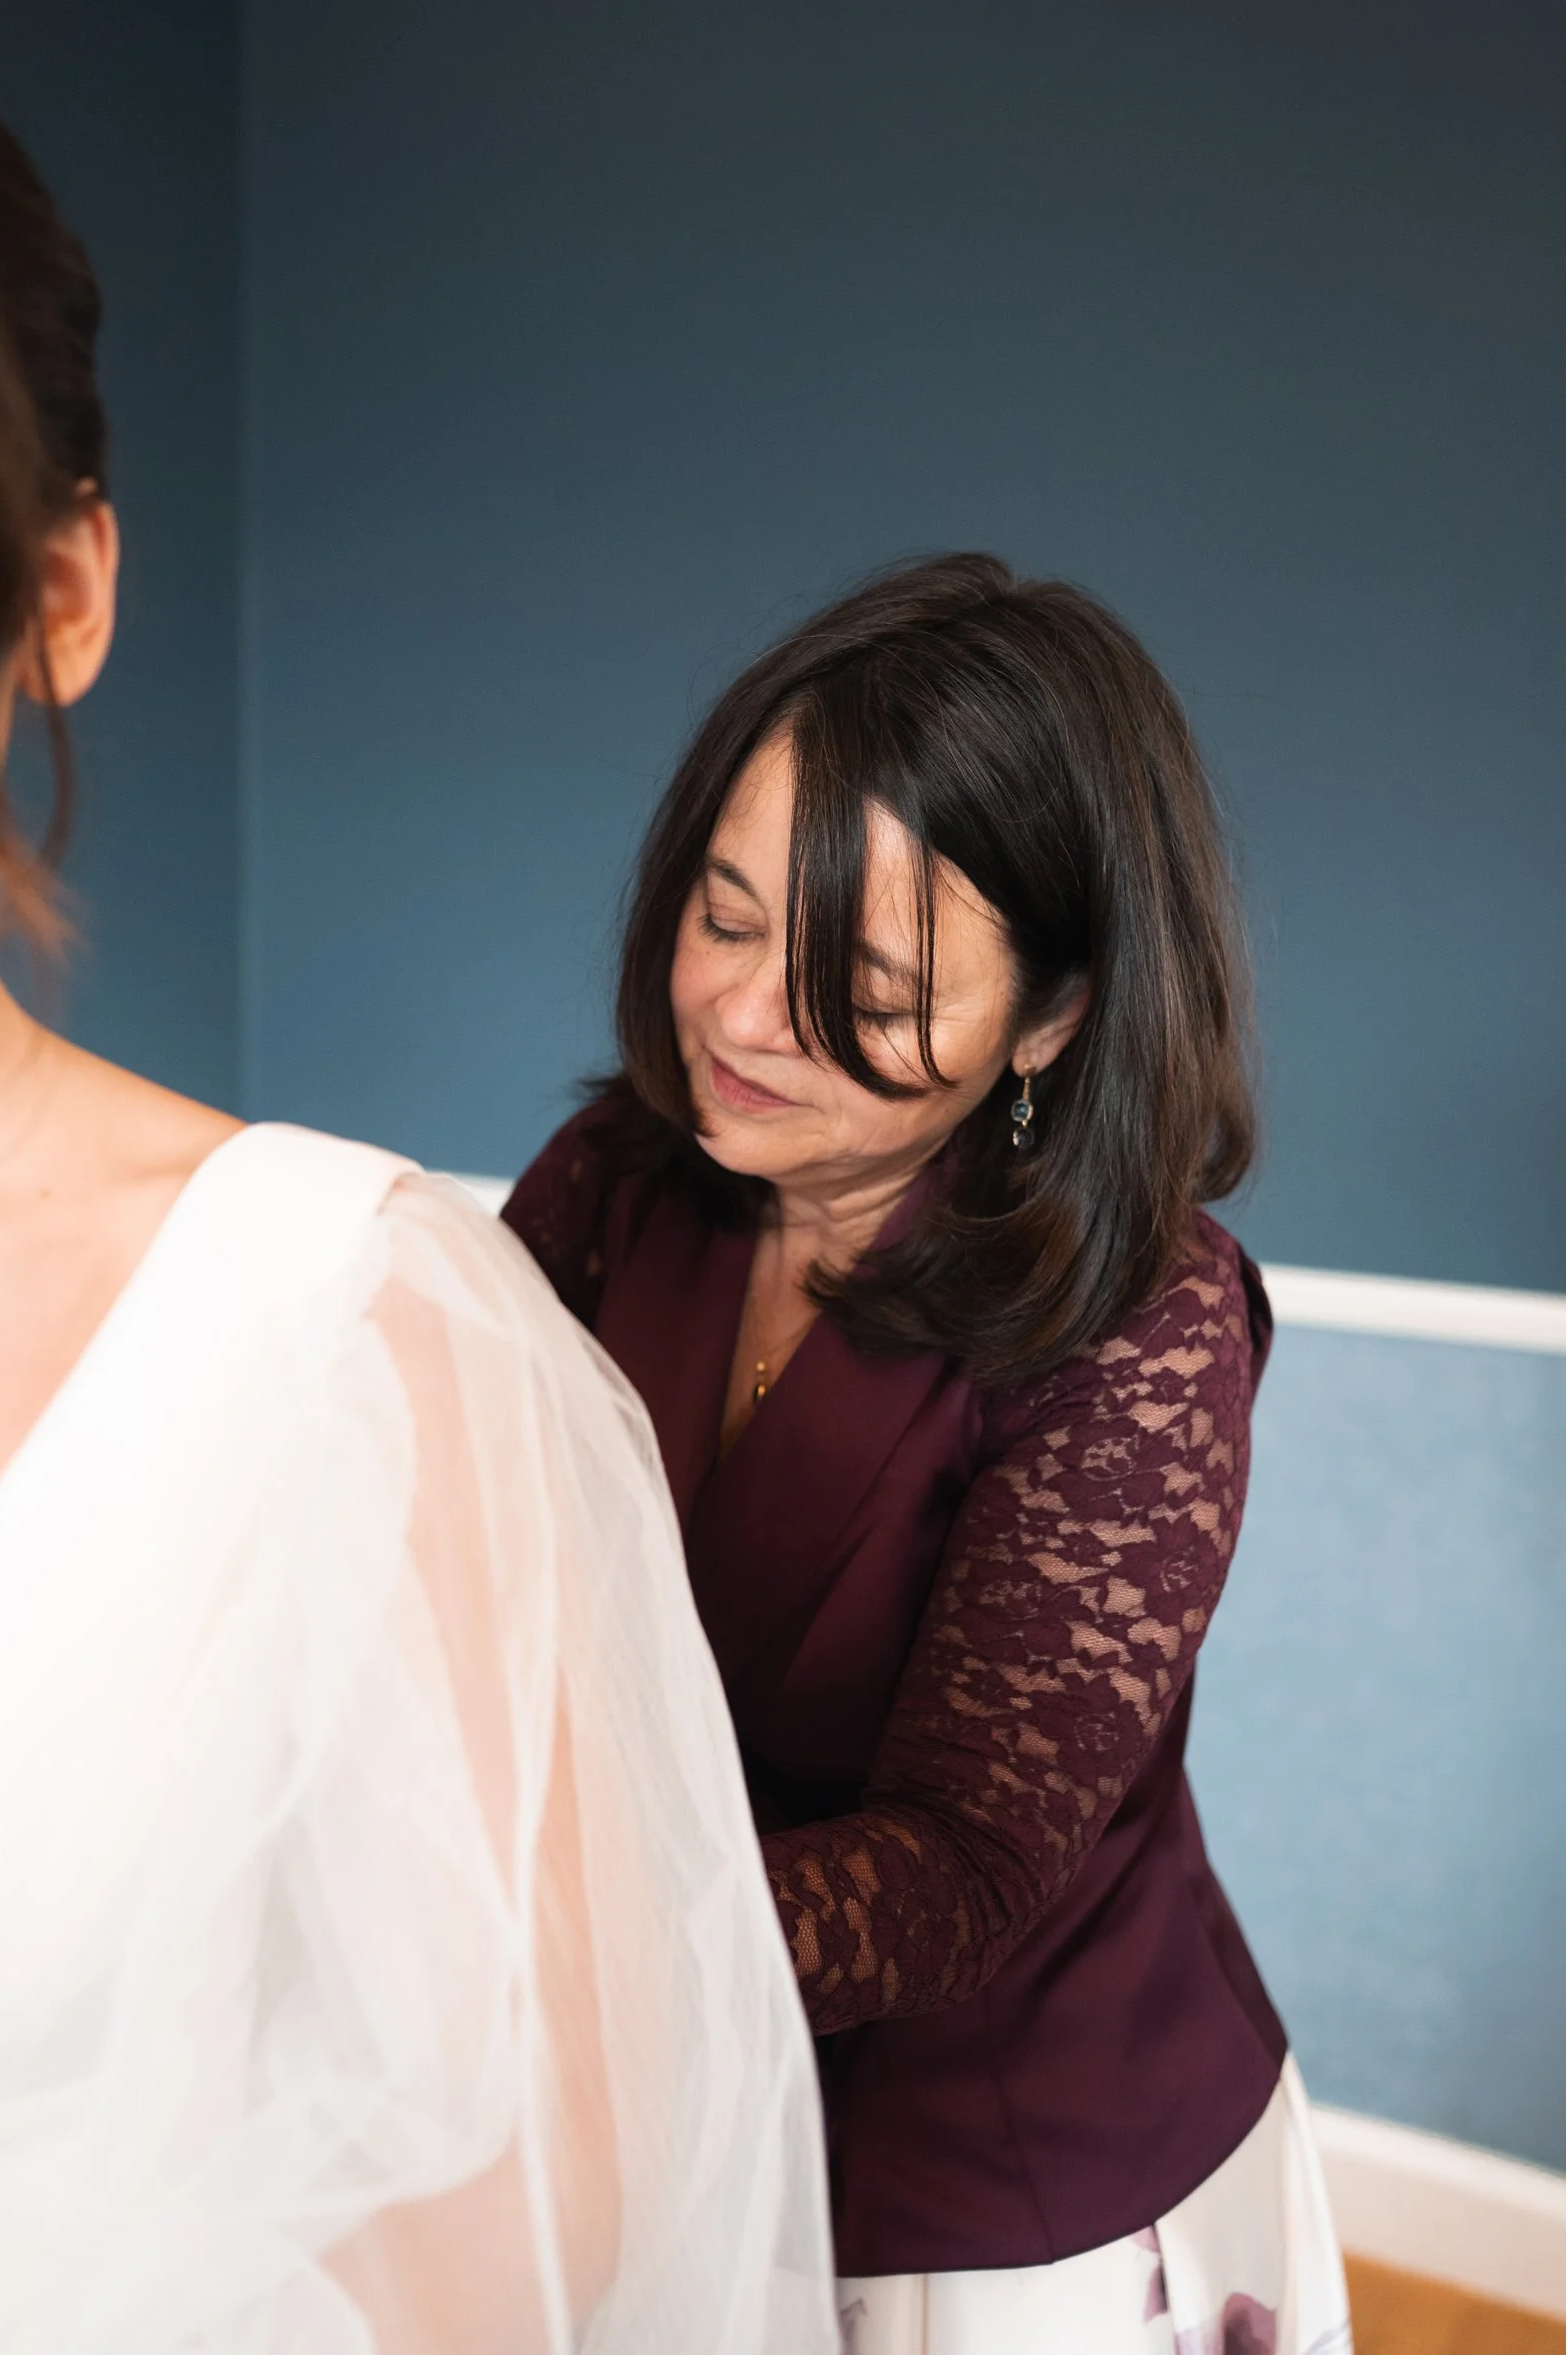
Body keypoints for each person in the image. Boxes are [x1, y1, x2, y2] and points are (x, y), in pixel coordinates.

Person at [0, 45, 835, 2355]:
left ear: (58, 590)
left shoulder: (357, 1334)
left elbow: (533, 2207)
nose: (758, 1010)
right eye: (724, 923)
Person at [504, 558, 1354, 2354]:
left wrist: (551, 1937)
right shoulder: (618, 1193)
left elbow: (957, 1868)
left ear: (1045, 1022)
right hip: (639, 2103)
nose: (741, 1020)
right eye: (724, 920)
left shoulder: (1142, 1325)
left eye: (859, 987)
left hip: (987, 2188)